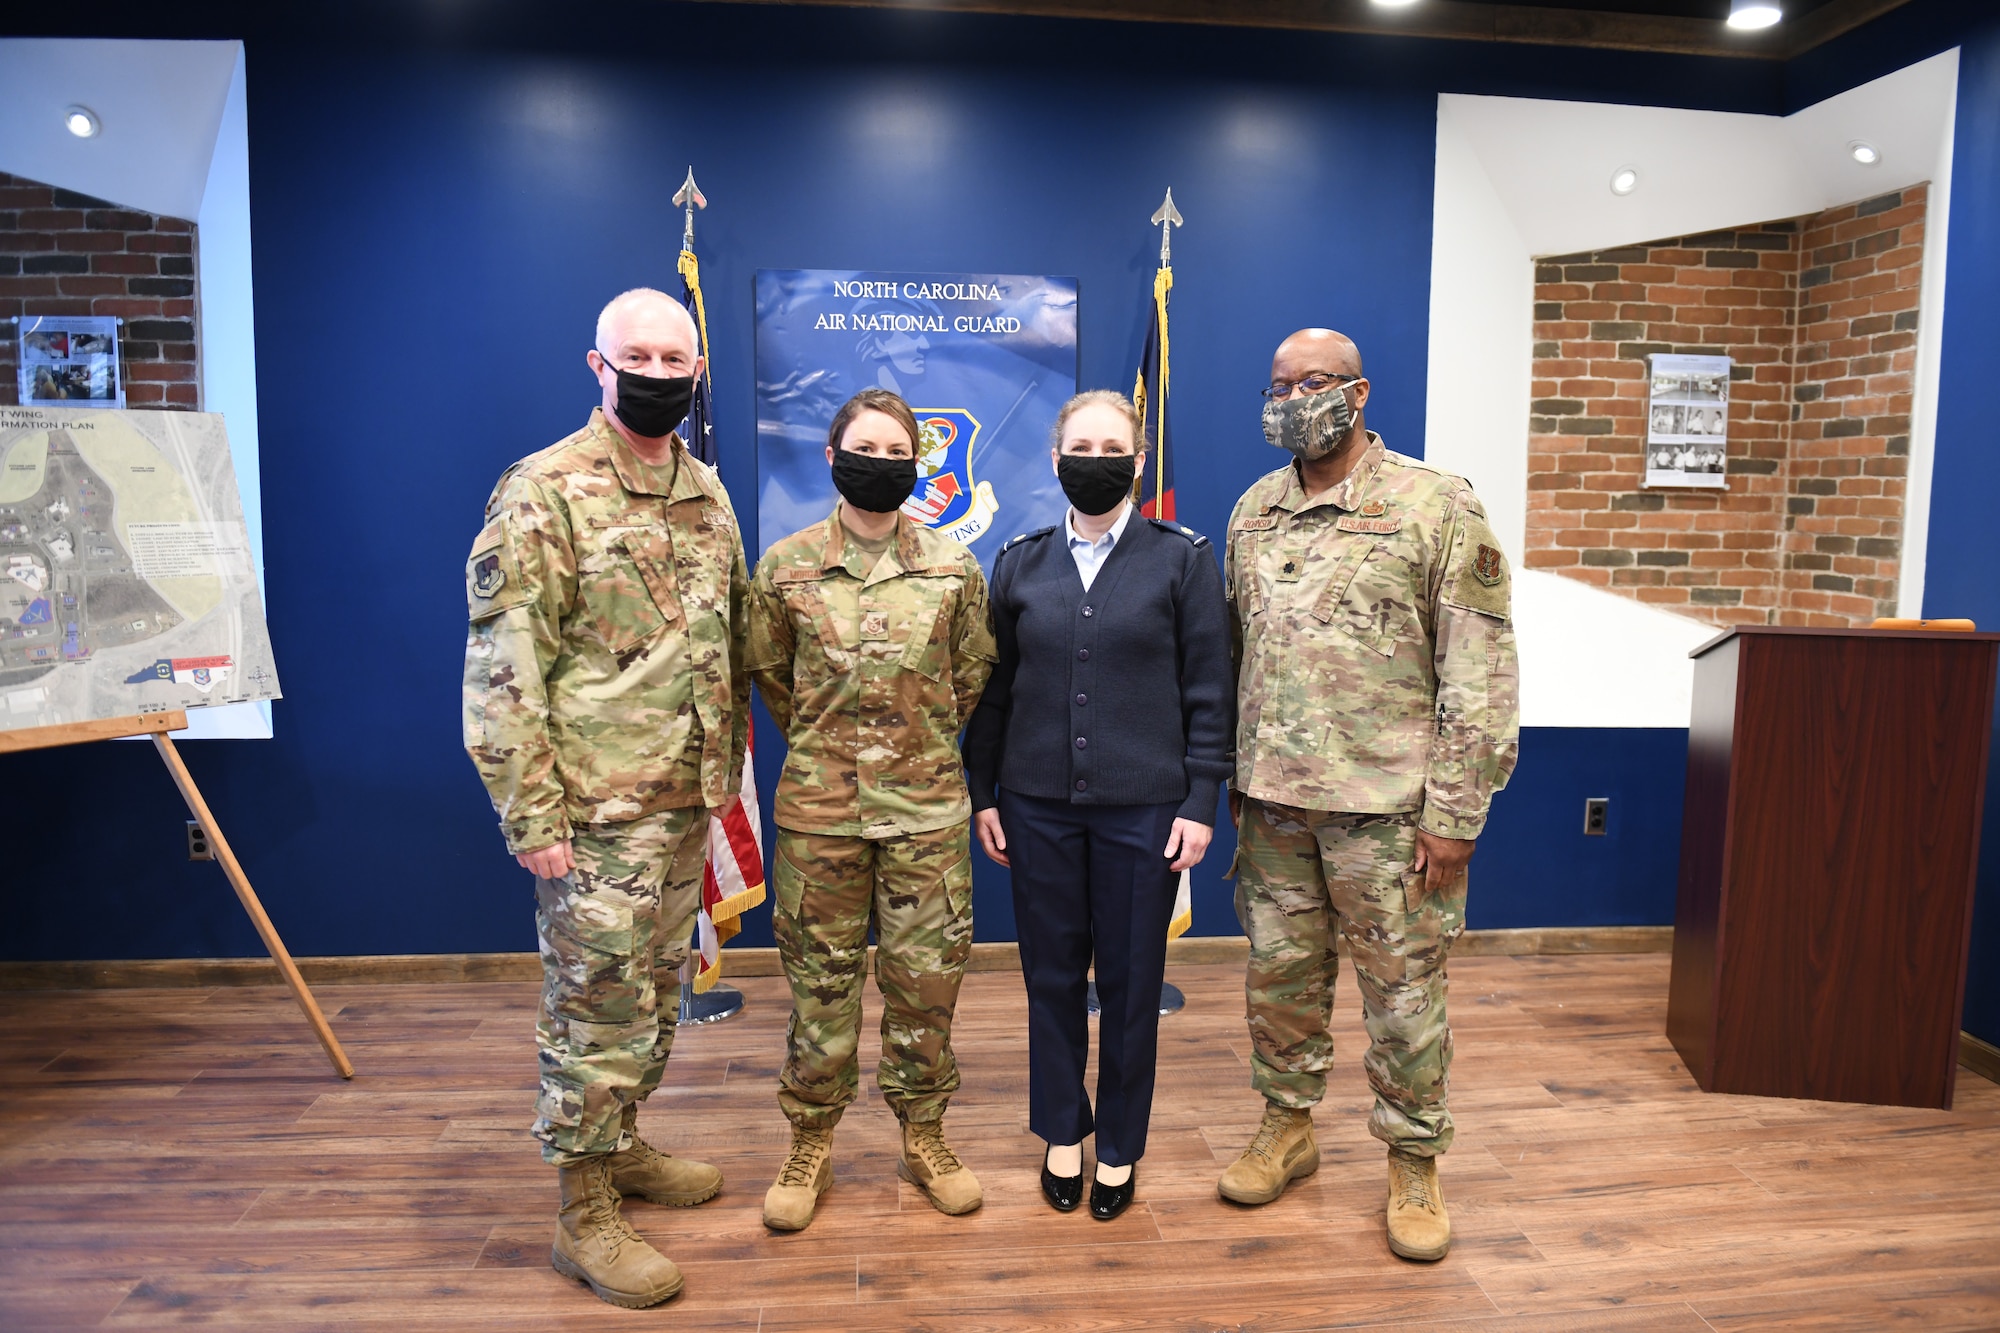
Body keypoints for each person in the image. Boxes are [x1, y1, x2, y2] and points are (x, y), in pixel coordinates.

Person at [462, 287, 750, 1309]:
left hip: (684, 801)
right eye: (640, 357)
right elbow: (504, 669)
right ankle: (581, 1211)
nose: (660, 376)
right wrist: (530, 813)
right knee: (591, 1009)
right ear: (597, 365)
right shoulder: (544, 490)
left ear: (697, 370)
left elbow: (722, 639)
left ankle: (621, 1148)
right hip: (594, 812)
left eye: (677, 361)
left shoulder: (705, 492)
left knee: (651, 996)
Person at [1219, 328, 1519, 1262]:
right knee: (1280, 984)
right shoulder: (1253, 511)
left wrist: (1456, 813)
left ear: (1359, 392)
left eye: (1312, 381)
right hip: (1272, 807)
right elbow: (1235, 656)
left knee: (1404, 995)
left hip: (1390, 814)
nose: (1293, 397)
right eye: (1279, 384)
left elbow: (1480, 671)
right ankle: (1287, 1125)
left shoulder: (1437, 504)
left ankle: (1414, 1160)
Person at [966, 390, 1234, 1221]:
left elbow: (1207, 690)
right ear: (1055, 459)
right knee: (1049, 976)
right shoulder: (1018, 561)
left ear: (1138, 460)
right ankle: (1060, 1130)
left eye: (1112, 445)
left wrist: (1199, 798)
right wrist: (985, 794)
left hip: (1144, 811)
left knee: (1129, 982)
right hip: (1037, 807)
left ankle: (1117, 1144)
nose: (1095, 457)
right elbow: (994, 691)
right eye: (1080, 444)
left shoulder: (1182, 558)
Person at [745, 387, 998, 1232]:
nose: (882, 464)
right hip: (820, 819)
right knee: (820, 989)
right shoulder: (783, 567)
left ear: (915, 463)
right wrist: (839, 754)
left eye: (899, 453)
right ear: (831, 455)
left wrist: (907, 751)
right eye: (867, 449)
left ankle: (923, 1134)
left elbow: (969, 679)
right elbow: (775, 683)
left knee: (926, 988)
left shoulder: (953, 568)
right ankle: (809, 1140)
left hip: (926, 816)